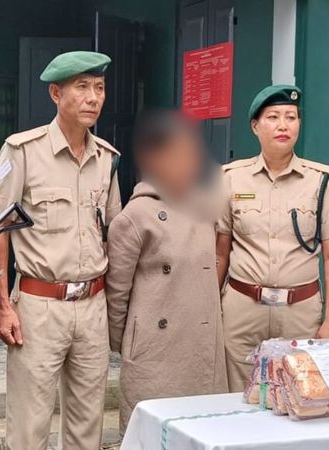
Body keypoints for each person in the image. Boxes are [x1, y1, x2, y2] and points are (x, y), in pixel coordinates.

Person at [0, 51, 121, 450]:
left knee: (87, 423)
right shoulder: (22, 151)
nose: (93, 98)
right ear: (56, 93)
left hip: (93, 305)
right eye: (82, 87)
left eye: (99, 88)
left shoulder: (107, 159)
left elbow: (113, 232)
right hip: (38, 306)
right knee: (30, 424)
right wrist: (2, 305)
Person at [215, 85, 329, 392]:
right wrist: (211, 312)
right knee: (240, 397)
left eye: (291, 117)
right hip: (242, 310)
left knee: (299, 398)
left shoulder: (322, 179)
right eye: (273, 117)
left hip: (299, 312)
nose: (283, 125)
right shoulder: (231, 178)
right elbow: (221, 252)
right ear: (255, 126)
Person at [106, 110, 228, 433]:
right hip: (155, 351)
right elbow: (117, 294)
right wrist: (131, 341)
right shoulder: (135, 216)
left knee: (203, 431)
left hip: (200, 348)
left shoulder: (205, 207)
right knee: (153, 433)